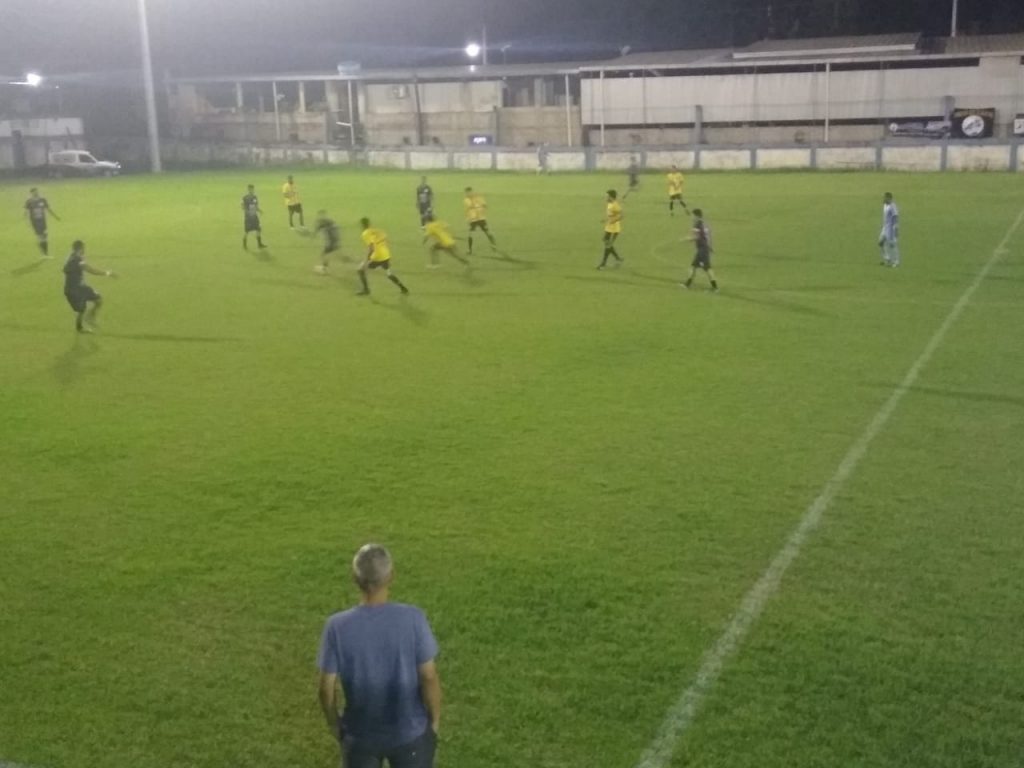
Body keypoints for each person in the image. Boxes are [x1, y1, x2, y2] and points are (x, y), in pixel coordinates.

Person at [317, 544, 442, 768]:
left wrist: (334, 724)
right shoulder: (413, 619)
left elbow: (326, 688)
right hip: (409, 733)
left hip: (360, 735)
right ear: (391, 576)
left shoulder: (336, 626)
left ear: (355, 578)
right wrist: (434, 721)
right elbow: (429, 677)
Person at [63, 240, 115, 333]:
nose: (84, 250)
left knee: (89, 305)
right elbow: (91, 270)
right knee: (88, 306)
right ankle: (87, 320)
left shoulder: (70, 257)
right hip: (76, 289)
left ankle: (86, 321)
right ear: (80, 248)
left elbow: (66, 269)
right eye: (83, 248)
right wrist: (107, 273)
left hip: (72, 289)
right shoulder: (77, 259)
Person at [358, 218, 410, 296]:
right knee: (389, 273)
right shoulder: (378, 231)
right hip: (386, 255)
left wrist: (366, 261)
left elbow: (371, 248)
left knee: (360, 270)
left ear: (362, 225)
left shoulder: (365, 233)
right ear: (369, 223)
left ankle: (366, 290)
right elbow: (385, 239)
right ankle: (403, 288)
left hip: (377, 257)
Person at [682, 208, 719, 292]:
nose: (692, 217)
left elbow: (696, 237)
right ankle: (687, 284)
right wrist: (710, 246)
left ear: (696, 216)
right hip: (704, 248)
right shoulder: (705, 224)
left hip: (702, 249)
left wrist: (686, 239)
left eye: (693, 215)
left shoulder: (697, 224)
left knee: (707, 268)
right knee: (694, 266)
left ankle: (715, 287)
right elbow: (709, 235)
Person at [25, 187, 60, 257]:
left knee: (45, 236)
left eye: (36, 192)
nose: (36, 193)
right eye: (34, 192)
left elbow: (48, 209)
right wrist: (28, 221)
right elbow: (26, 212)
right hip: (35, 222)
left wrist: (55, 216)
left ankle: (44, 252)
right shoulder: (29, 201)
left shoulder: (43, 200)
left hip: (43, 221)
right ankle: (44, 254)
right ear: (31, 193)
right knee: (40, 237)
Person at [462, 187, 497, 255]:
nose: (468, 194)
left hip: (481, 219)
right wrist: (468, 218)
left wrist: (482, 206)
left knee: (487, 232)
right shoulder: (466, 200)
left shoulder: (478, 197)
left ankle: (493, 245)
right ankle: (469, 250)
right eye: (467, 193)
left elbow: (485, 205)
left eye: (469, 192)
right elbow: (469, 208)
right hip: (473, 220)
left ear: (471, 192)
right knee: (470, 234)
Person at [597, 189, 623, 270]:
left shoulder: (615, 205)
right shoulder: (609, 203)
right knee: (605, 241)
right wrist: (605, 220)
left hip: (614, 229)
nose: (606, 197)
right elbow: (610, 215)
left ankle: (603, 264)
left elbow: (621, 215)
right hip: (608, 227)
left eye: (607, 196)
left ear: (611, 197)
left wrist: (613, 220)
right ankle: (618, 258)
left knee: (608, 246)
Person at [313, 210, 340, 274]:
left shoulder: (325, 223)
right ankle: (325, 267)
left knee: (324, 254)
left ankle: (324, 269)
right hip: (333, 242)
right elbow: (319, 228)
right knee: (325, 254)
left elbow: (319, 228)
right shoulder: (329, 222)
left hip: (331, 242)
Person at [241, 184, 267, 250]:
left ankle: (259, 244)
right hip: (248, 217)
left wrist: (259, 210)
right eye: (250, 189)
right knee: (246, 231)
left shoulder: (255, 197)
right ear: (248, 189)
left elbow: (255, 206)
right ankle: (244, 245)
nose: (251, 190)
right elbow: (242, 206)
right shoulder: (245, 197)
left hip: (254, 216)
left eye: (252, 189)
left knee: (258, 229)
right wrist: (247, 212)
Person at [879, 192, 900, 267]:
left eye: (885, 198)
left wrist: (896, 227)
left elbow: (895, 216)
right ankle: (887, 258)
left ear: (889, 198)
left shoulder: (892, 206)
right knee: (880, 242)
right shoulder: (885, 205)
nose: (883, 199)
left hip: (890, 228)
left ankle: (896, 261)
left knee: (892, 244)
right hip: (885, 227)